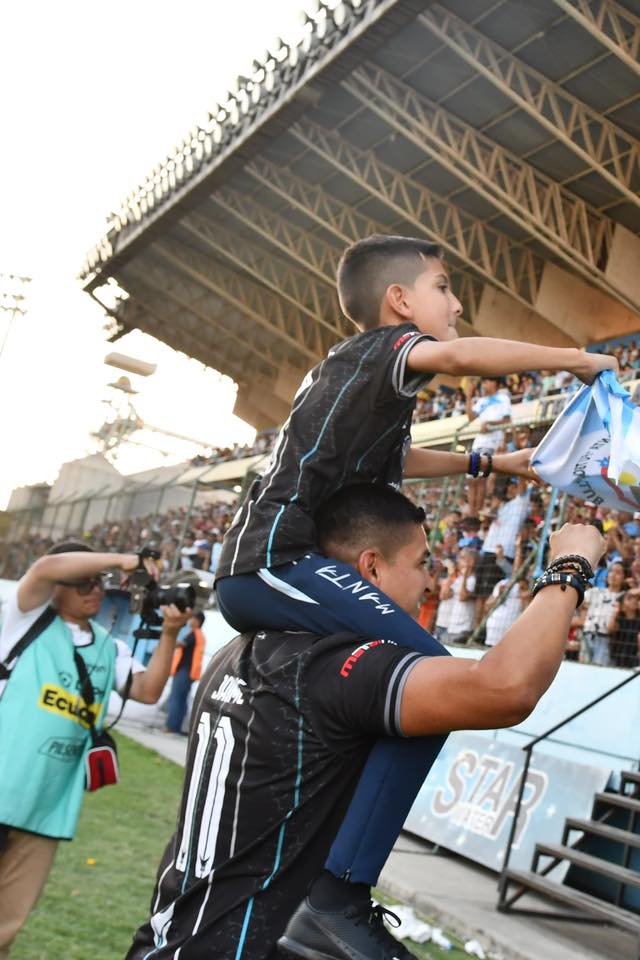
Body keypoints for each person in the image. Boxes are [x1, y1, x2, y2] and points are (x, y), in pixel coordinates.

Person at [210, 234, 617, 954]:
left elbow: (396, 458)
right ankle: (335, 896)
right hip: (274, 561)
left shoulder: (361, 384)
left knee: (406, 684)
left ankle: (329, 878)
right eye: (444, 287)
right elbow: (460, 356)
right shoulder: (379, 348)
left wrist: (495, 460)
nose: (457, 305)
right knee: (433, 673)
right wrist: (577, 359)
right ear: (400, 302)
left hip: (278, 565)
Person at [128, 484, 607, 959]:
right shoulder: (335, 667)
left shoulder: (242, 649)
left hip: (175, 933)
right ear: (370, 567)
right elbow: (504, 689)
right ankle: (335, 901)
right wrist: (570, 567)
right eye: (422, 564)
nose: (431, 583)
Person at [0, 544, 184, 957]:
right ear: (55, 589)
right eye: (81, 582)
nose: (93, 590)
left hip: (45, 809)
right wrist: (122, 561)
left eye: (97, 583)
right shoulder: (23, 619)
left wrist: (170, 634)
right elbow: (45, 566)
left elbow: (147, 690)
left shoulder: (107, 647)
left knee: (6, 924)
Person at [465, 375, 512, 515]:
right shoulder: (482, 400)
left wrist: (490, 424)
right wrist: (468, 396)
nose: (484, 384)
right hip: (478, 442)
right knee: (471, 480)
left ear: (495, 383)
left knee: (480, 479)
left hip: (492, 443)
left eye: (487, 381)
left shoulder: (504, 398)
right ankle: (472, 513)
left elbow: (507, 420)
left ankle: (476, 513)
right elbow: (471, 417)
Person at [164, 610, 206, 735]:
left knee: (175, 698)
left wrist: (168, 638)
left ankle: (171, 726)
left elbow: (180, 644)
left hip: (185, 671)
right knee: (181, 699)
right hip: (189, 672)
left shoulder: (195, 635)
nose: (190, 621)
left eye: (192, 618)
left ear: (197, 621)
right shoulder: (196, 634)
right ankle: (176, 727)